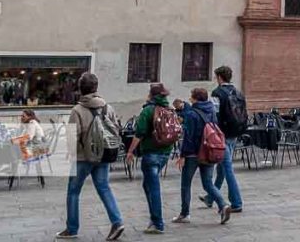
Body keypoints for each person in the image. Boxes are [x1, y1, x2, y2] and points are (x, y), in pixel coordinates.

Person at [57, 73, 125, 240]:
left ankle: (72, 228)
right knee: (104, 188)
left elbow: (73, 136)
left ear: (80, 89)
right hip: (103, 154)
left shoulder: (77, 110)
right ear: (96, 88)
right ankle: (117, 221)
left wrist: (72, 154)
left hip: (83, 157)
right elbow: (116, 128)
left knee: (73, 191)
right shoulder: (108, 107)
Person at [173, 88, 231, 225]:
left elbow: (188, 136)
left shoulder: (192, 114)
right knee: (208, 183)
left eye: (191, 96)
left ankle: (185, 214)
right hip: (209, 150)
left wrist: (182, 155)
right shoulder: (211, 111)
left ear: (196, 98)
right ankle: (223, 205)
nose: (190, 99)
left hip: (193, 154)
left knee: (186, 184)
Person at [126, 83, 176, 234]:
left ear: (151, 95)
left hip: (151, 152)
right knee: (148, 185)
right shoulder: (170, 109)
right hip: (165, 152)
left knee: (152, 187)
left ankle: (157, 222)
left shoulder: (148, 110)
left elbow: (139, 133)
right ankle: (154, 219)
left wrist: (130, 151)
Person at [203, 65, 244, 213]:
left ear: (219, 77)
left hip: (222, 134)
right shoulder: (238, 92)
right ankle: (210, 197)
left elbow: (214, 113)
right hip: (235, 132)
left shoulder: (217, 92)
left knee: (227, 168)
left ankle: (236, 202)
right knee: (221, 168)